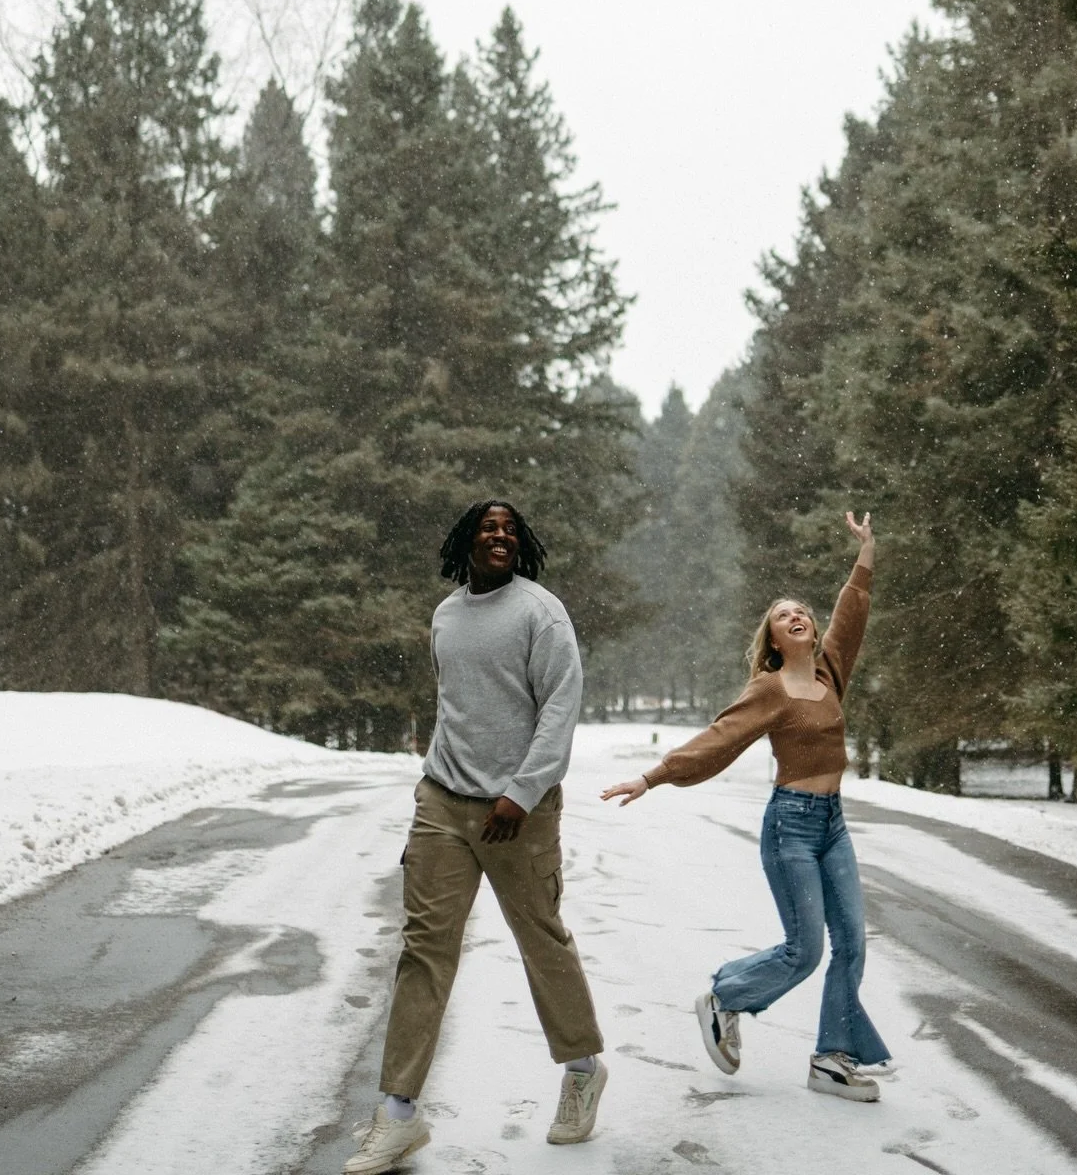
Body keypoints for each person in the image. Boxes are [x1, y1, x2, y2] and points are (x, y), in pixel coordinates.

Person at [346, 500, 607, 1175]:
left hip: (517, 812)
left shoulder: (540, 612)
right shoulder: (446, 616)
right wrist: (436, 770)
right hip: (443, 804)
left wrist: (520, 793)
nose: (501, 536)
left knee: (540, 939)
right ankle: (398, 1114)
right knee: (423, 951)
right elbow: (458, 705)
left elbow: (560, 706)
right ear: (466, 541)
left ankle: (581, 1068)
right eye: (488, 528)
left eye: (510, 529)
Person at [601, 510, 890, 1103]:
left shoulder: (833, 670)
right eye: (785, 616)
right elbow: (719, 738)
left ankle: (832, 1059)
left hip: (833, 825)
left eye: (802, 611)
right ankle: (726, 997)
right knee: (805, 950)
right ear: (775, 640)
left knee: (853, 942)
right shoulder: (770, 688)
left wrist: (866, 552)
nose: (798, 617)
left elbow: (852, 617)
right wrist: (653, 776)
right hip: (791, 826)